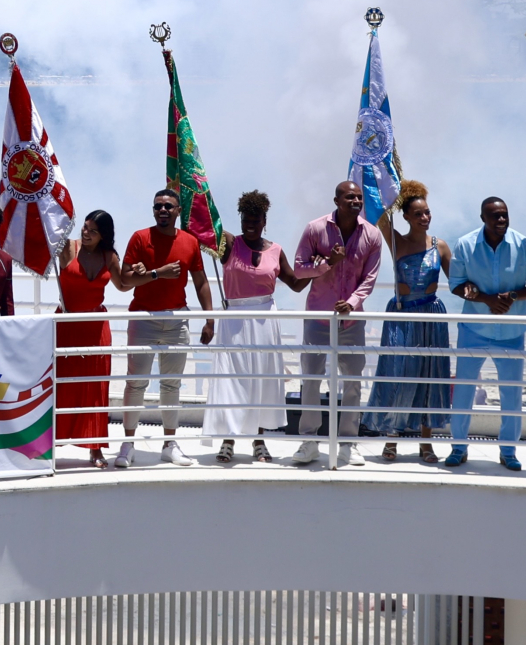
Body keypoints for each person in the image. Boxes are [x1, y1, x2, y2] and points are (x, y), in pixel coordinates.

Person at [284, 181, 384, 468]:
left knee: (352, 381)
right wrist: (328, 261)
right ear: (336, 200)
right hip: (317, 317)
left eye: (359, 197)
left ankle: (348, 444)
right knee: (311, 378)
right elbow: (300, 268)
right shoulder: (316, 229)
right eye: (349, 196)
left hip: (351, 321)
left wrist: (351, 303)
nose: (355, 200)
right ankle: (309, 441)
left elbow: (370, 277)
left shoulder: (372, 234)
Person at [444, 197, 526, 471]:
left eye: (505, 215)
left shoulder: (523, 245)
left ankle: (509, 452)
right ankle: (458, 448)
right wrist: (485, 298)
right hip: (474, 330)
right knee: (464, 390)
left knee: (511, 395)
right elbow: (455, 284)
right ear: (483, 218)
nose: (501, 220)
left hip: (511, 332)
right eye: (495, 216)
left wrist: (512, 295)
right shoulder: (466, 245)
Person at [118, 188, 214, 468]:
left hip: (176, 320)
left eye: (168, 206)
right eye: (158, 206)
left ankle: (170, 444)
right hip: (143, 318)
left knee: (171, 384)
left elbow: (201, 281)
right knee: (135, 383)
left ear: (178, 211)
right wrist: (156, 274)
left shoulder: (189, 241)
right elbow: (125, 281)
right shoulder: (140, 238)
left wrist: (210, 319)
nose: (162, 210)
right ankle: (127, 444)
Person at [361, 182, 452, 464]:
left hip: (431, 315)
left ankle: (427, 443)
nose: (425, 218)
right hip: (401, 314)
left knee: (428, 374)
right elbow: (378, 213)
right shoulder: (396, 241)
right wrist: (382, 177)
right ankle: (392, 438)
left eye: (427, 213)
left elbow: (459, 282)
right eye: (418, 214)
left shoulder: (441, 246)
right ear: (407, 217)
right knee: (397, 372)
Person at [202, 192, 287, 466]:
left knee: (260, 380)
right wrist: (190, 193)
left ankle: (259, 441)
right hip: (235, 318)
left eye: (255, 219)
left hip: (265, 319)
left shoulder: (275, 250)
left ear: (265, 220)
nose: (249, 224)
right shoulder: (229, 244)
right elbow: (205, 222)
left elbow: (296, 283)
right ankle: (228, 441)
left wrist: (325, 266)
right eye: (245, 219)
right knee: (231, 379)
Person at [57, 211, 123, 465]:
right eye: (84, 227)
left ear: (103, 235)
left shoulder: (110, 256)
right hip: (67, 323)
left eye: (92, 230)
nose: (85, 233)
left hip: (97, 326)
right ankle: (52, 443)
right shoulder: (68, 248)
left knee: (96, 387)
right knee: (61, 384)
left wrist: (150, 273)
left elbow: (124, 285)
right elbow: (46, 236)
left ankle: (95, 447)